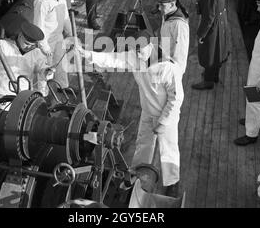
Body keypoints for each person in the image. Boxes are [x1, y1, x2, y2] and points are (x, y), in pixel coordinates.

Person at [76, 29, 184, 197]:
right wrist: (86, 54)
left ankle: (172, 182)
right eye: (135, 50)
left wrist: (163, 122)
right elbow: (112, 60)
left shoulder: (168, 67)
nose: (138, 54)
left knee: (168, 148)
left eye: (140, 50)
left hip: (166, 115)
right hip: (148, 111)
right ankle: (138, 172)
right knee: (143, 143)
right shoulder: (135, 56)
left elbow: (176, 99)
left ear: (151, 45)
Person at [0, 21, 51, 99]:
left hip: (23, 97)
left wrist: (47, 72)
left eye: (32, 45)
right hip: (1, 94)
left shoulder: (37, 53)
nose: (29, 47)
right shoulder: (2, 46)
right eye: (26, 43)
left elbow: (42, 71)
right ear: (20, 35)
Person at [234, 0, 260, 146]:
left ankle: (251, 134)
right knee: (259, 102)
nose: (259, 9)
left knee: (255, 101)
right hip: (258, 68)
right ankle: (257, 121)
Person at [192, 0, 229, 90]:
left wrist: (201, 34)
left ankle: (208, 82)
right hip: (221, 21)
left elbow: (208, 18)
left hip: (213, 25)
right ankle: (214, 75)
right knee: (218, 50)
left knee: (209, 52)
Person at [33, 0, 73, 91]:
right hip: (46, 40)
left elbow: (65, 16)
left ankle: (63, 86)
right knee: (45, 69)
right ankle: (43, 93)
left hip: (58, 36)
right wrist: (44, 47)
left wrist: (69, 34)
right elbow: (38, 25)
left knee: (61, 63)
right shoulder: (42, 2)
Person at [156, 0, 189, 74]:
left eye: (162, 5)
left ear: (172, 4)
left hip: (171, 69)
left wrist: (173, 71)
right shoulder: (167, 14)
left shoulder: (179, 24)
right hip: (163, 61)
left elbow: (180, 51)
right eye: (159, 5)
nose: (159, 8)